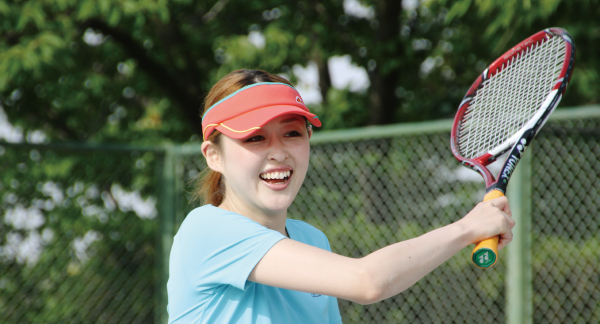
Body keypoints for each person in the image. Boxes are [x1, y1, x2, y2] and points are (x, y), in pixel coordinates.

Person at [166, 69, 515, 323]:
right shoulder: (207, 230)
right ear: (213, 155)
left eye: (291, 133)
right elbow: (367, 282)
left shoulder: (311, 239)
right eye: (255, 138)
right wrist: (466, 229)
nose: (278, 152)